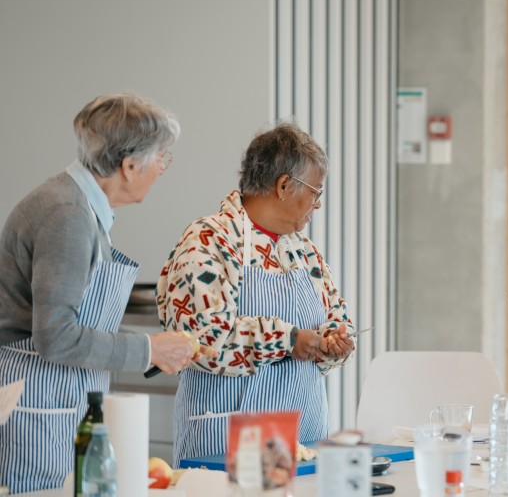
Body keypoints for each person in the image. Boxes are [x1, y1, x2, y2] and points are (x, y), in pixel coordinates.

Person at [0, 91, 209, 493]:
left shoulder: (80, 206)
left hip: (59, 401)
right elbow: (56, 337)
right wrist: (150, 350)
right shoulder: (68, 215)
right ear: (129, 165)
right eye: (162, 158)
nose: (163, 169)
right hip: (38, 406)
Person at [157, 122, 356, 462]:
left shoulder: (305, 252)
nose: (317, 204)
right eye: (315, 190)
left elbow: (338, 320)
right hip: (226, 445)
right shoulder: (208, 241)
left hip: (303, 442)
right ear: (283, 185)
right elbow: (199, 341)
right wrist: (288, 340)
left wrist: (333, 344)